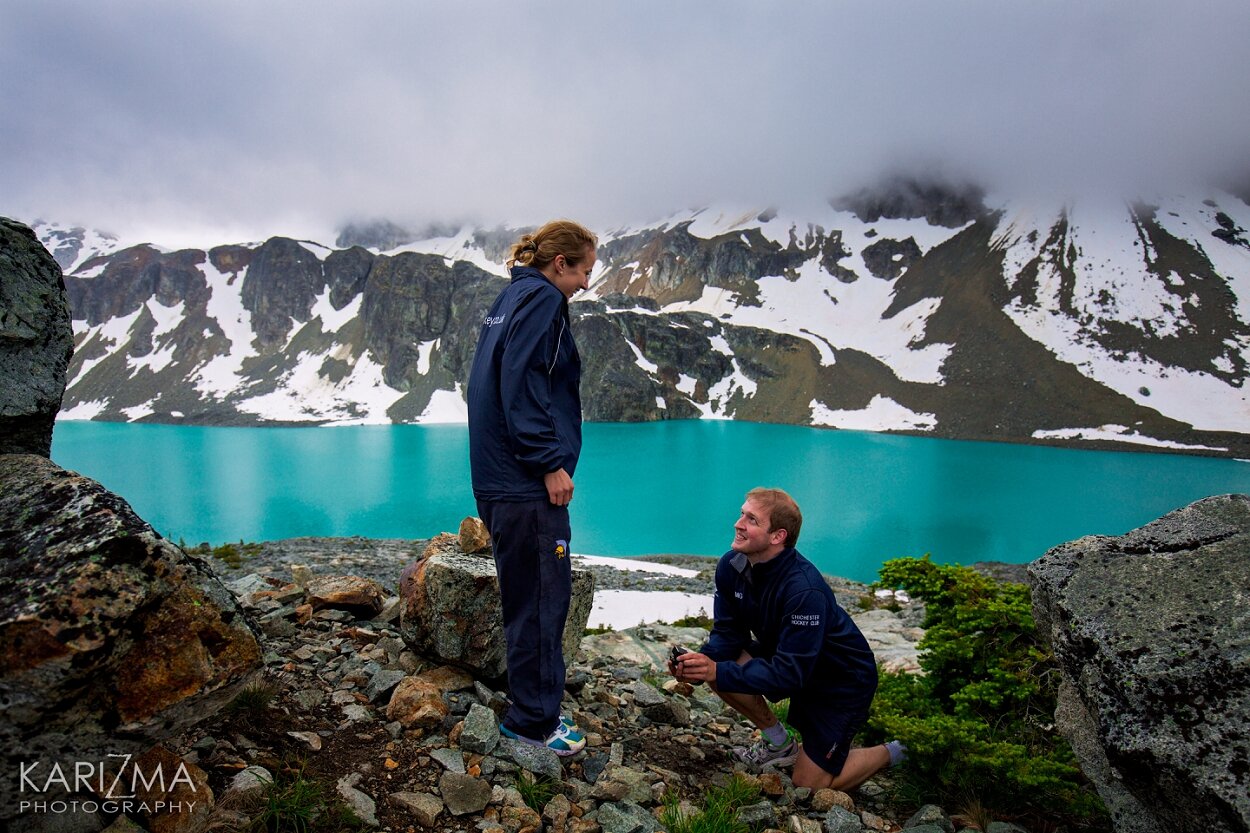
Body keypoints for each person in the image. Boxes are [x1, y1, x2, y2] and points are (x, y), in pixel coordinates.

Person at [670, 487, 906, 790]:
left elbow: (789, 675)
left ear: (777, 536)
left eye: (751, 520)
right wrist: (697, 666)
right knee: (720, 661)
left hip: (840, 684)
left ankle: (893, 752)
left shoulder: (804, 590)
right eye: (742, 513)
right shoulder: (732, 566)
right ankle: (779, 745)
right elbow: (728, 636)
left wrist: (716, 670)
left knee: (807, 784)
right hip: (790, 660)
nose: (738, 523)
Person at [466, 219, 598, 756]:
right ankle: (536, 723)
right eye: (584, 271)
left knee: (525, 597)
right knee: (544, 599)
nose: (586, 284)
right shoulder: (543, 300)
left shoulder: (512, 295)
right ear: (560, 263)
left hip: (497, 479)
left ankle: (528, 705)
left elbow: (487, 384)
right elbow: (522, 384)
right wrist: (548, 462)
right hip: (526, 487)